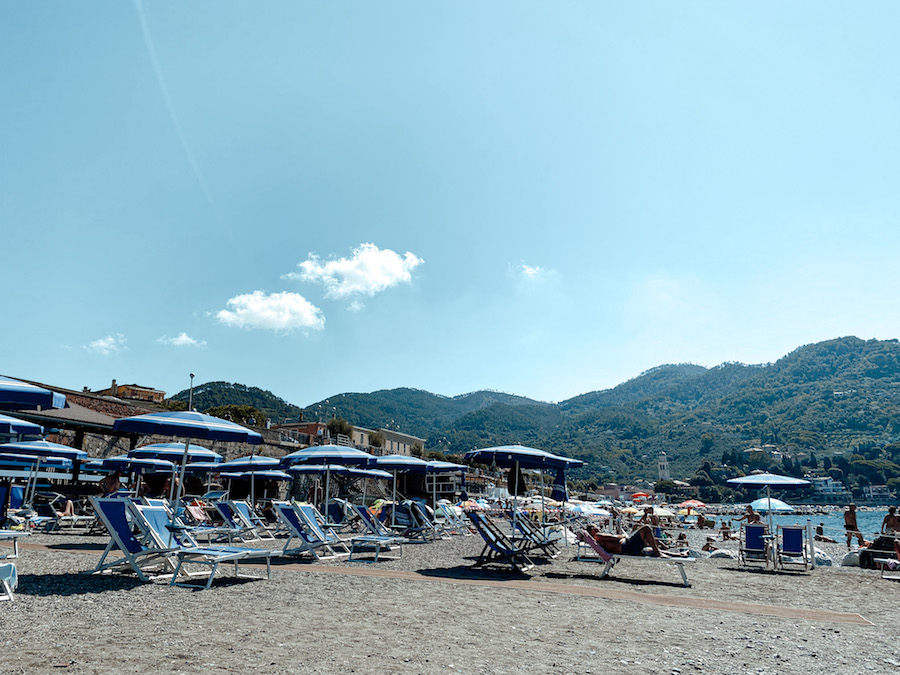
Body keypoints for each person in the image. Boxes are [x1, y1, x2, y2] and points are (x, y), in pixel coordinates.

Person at [586, 524, 684, 558]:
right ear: (592, 530)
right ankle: (658, 553)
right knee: (646, 528)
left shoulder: (597, 540)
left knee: (650, 548)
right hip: (627, 547)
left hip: (627, 549)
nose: (598, 528)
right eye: (596, 527)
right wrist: (623, 536)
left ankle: (678, 555)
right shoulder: (598, 536)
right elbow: (615, 538)